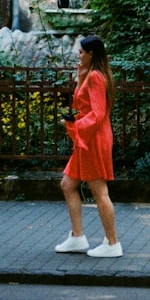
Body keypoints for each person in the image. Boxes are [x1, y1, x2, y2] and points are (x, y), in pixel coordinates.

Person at [54, 35, 122, 258]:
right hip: (88, 138)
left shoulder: (96, 77)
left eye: (82, 52)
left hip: (92, 139)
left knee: (100, 192)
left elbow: (98, 113)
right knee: (67, 184)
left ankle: (112, 243)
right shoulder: (91, 75)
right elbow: (80, 103)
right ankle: (77, 238)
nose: (78, 55)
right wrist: (79, 77)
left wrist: (75, 125)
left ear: (91, 54)